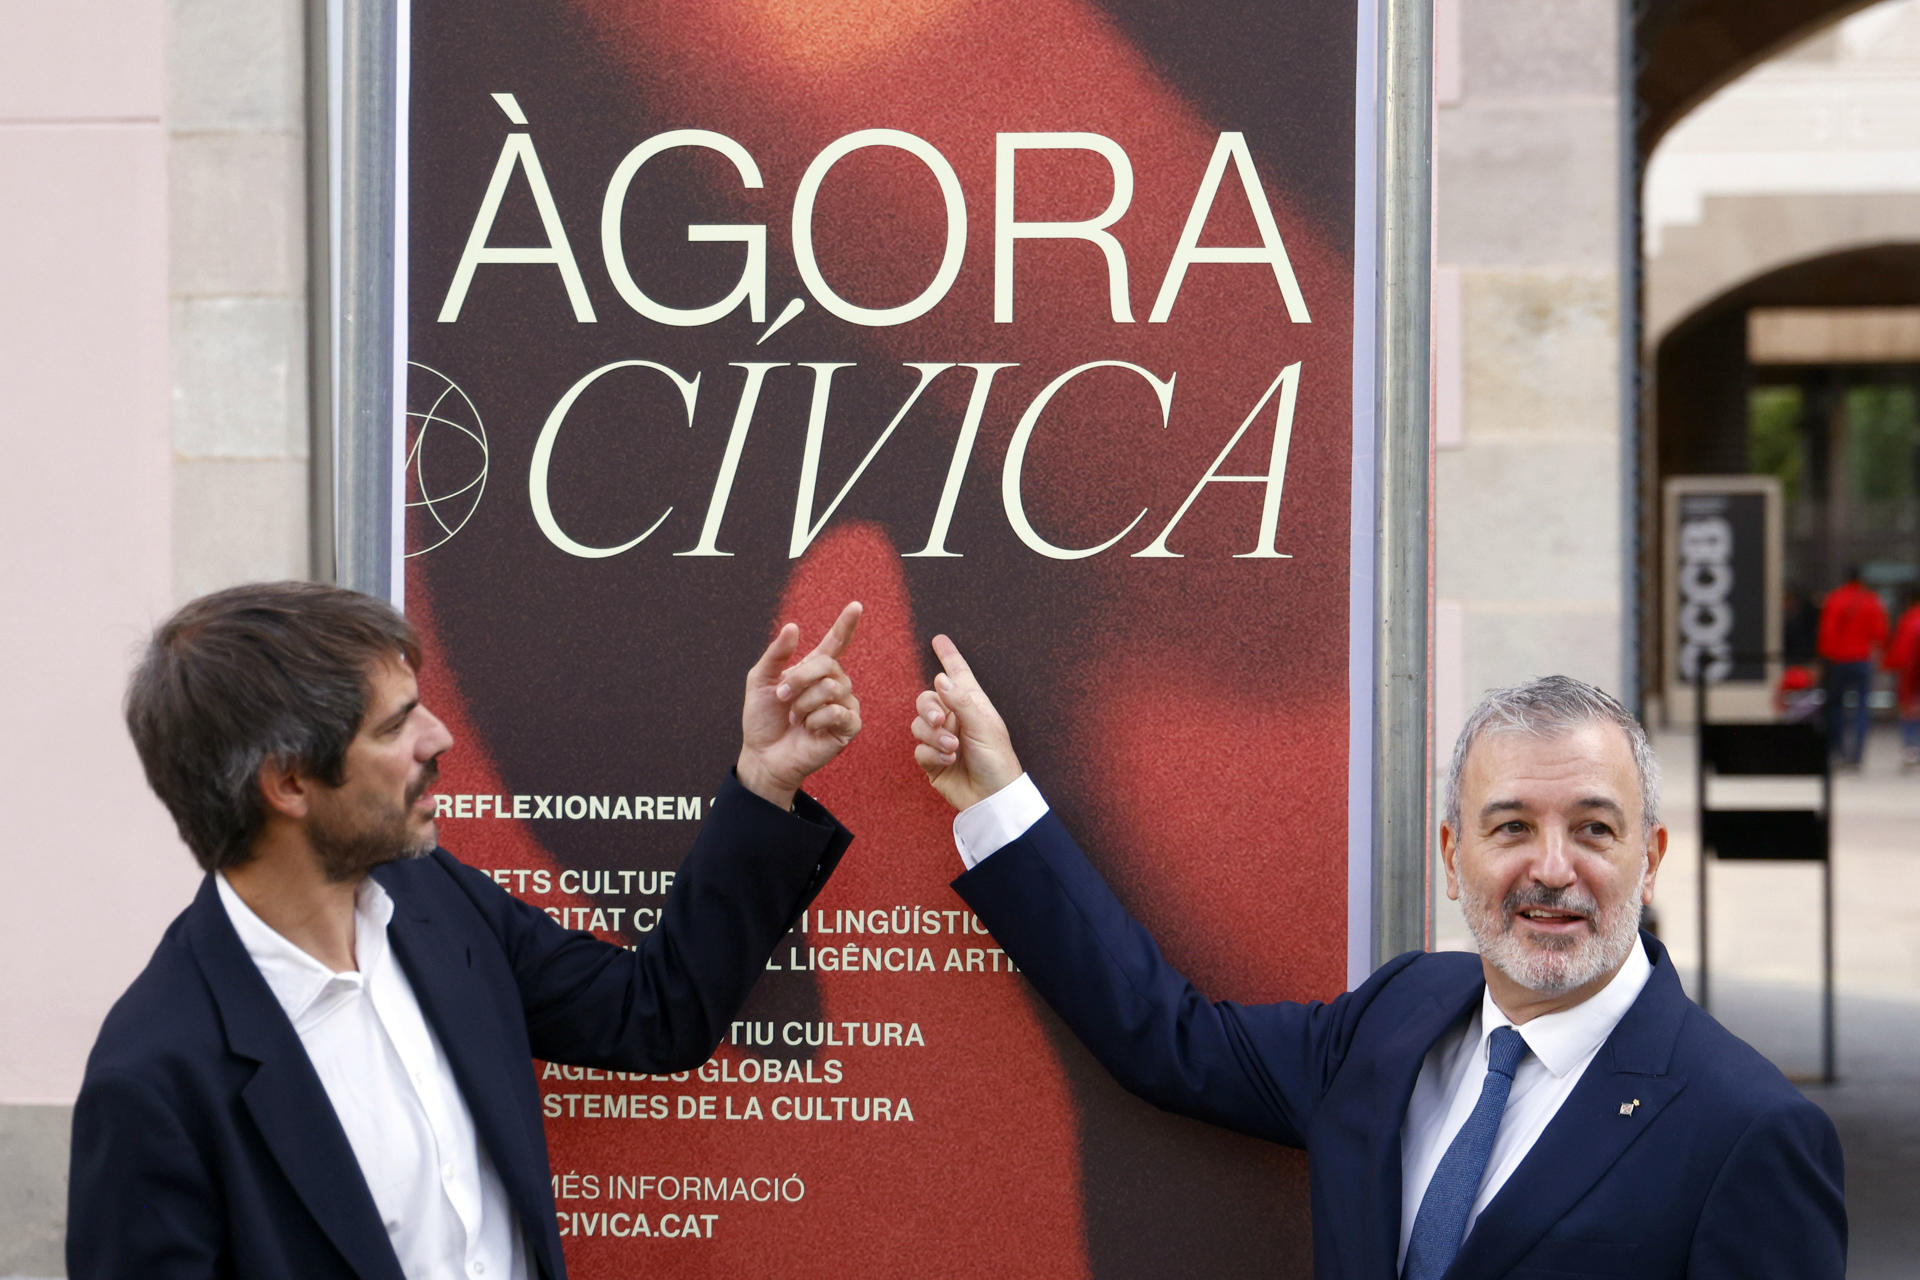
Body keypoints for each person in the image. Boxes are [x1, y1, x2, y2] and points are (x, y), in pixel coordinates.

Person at [910, 638, 1845, 1279]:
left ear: (1651, 858)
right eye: (1511, 827)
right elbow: (1167, 1039)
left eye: (1594, 829)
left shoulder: (1750, 1131)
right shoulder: (1400, 1014)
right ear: (1452, 856)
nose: (1553, 869)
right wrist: (997, 800)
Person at [70, 581, 865, 1279]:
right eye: (395, 726)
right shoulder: (154, 1082)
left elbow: (652, 1014)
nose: (440, 737)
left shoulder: (433, 899)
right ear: (289, 781)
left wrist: (765, 779)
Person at [1818, 566, 1888, 768]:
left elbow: (1827, 632)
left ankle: (1839, 750)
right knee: (1862, 707)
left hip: (1838, 660)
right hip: (1862, 659)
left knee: (1836, 706)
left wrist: (1825, 658)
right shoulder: (1871, 600)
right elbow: (1880, 633)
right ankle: (1856, 755)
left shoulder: (1835, 599)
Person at [1885, 588, 1920, 770]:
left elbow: (1903, 653)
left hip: (1911, 671)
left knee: (1909, 710)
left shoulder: (1909, 620)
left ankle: (1911, 747)